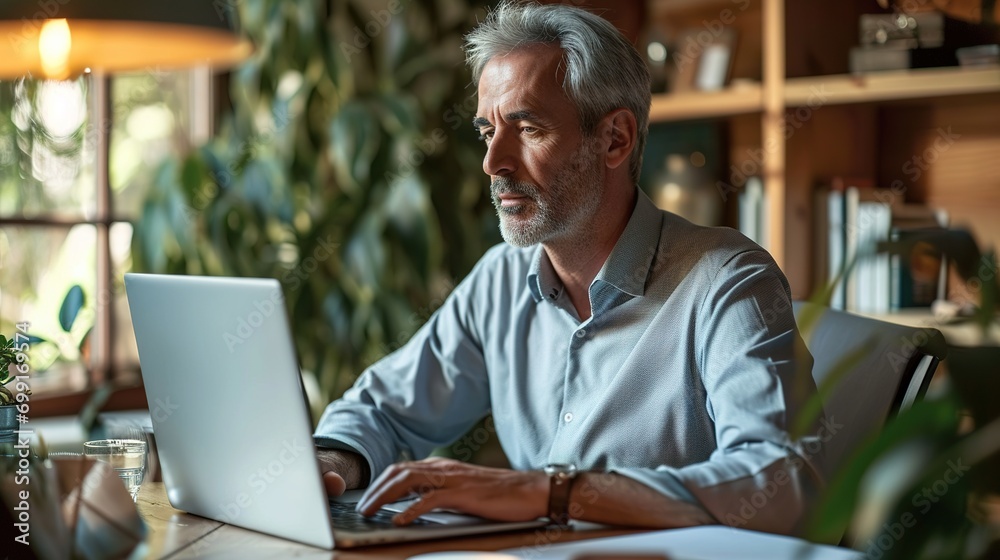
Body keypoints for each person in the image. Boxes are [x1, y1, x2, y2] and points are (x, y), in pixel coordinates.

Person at [313, 1, 821, 535]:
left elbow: (781, 482)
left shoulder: (727, 281)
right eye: (488, 131)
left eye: (527, 128)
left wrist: (550, 493)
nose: (493, 162)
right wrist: (331, 465)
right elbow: (383, 409)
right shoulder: (500, 280)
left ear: (614, 139)